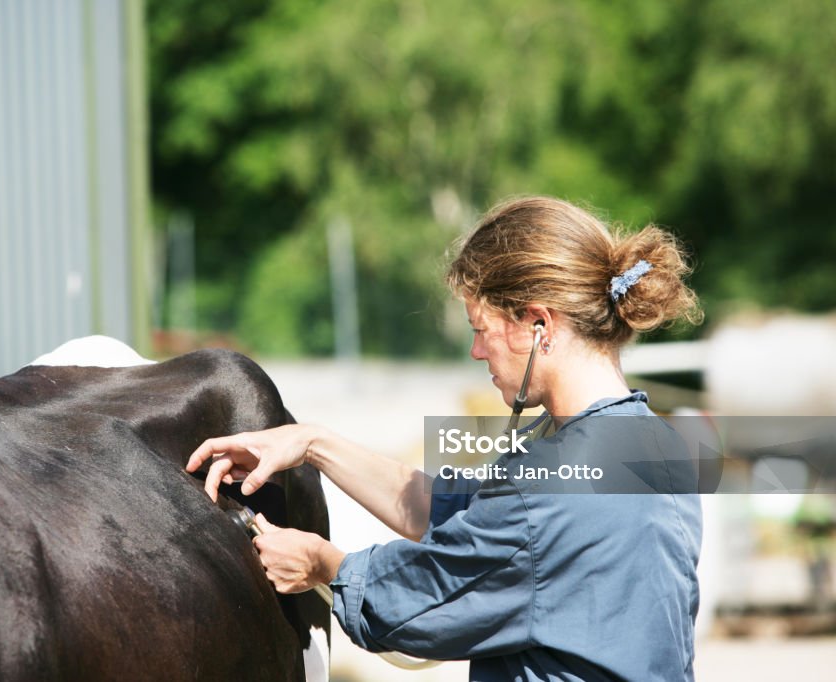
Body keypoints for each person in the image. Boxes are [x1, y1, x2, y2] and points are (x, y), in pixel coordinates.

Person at [187, 196, 704, 681]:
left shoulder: (550, 486)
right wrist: (313, 443)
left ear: (538, 324)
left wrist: (325, 565)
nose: (478, 353)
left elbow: (425, 597)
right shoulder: (657, 445)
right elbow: (461, 514)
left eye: (481, 329)